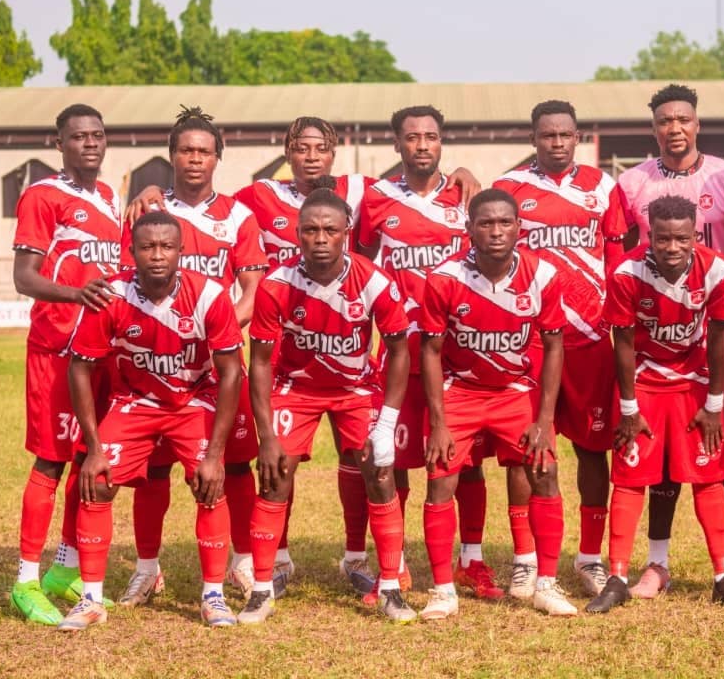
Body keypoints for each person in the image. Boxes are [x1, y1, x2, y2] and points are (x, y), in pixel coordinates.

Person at [126, 116, 478, 596]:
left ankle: (358, 556)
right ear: (287, 151)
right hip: (284, 348)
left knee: (364, 459)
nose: (311, 157)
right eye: (301, 147)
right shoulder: (258, 197)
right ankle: (277, 559)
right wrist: (151, 189)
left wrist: (461, 175)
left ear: (334, 153)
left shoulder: (359, 191)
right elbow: (204, 191)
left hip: (347, 346)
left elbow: (416, 178)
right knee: (275, 461)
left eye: (321, 148)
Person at [58, 211, 245, 630]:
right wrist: (94, 448)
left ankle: (213, 596)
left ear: (181, 251)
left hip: (194, 400)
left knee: (208, 482)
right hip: (136, 401)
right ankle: (91, 599)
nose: (157, 255)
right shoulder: (110, 295)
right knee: (98, 480)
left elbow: (231, 372)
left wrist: (215, 455)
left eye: (166, 247)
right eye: (147, 247)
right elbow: (79, 368)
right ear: (132, 251)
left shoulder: (209, 294)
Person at [240, 186, 416, 623]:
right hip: (296, 388)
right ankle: (261, 588)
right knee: (274, 475)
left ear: (347, 232)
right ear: (297, 233)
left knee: (379, 472)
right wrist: (266, 436)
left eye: (330, 230)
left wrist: (386, 423)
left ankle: (390, 587)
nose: (320, 238)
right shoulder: (277, 285)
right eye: (310, 230)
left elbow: (399, 351)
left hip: (356, 388)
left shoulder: (374, 281)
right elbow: (259, 362)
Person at [117, 107, 267, 608]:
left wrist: (213, 335)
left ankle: (241, 562)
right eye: (186, 150)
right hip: (156, 365)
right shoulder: (150, 212)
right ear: (172, 156)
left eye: (204, 151)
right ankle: (146, 569)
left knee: (236, 466)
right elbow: (128, 284)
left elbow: (253, 292)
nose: (195, 159)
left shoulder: (238, 217)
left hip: (217, 363)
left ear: (218, 158)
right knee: (154, 471)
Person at [615, 83, 724, 596]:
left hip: (719, 333)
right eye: (665, 121)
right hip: (657, 342)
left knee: (722, 445)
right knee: (659, 452)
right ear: (653, 128)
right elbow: (621, 254)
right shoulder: (632, 184)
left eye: (683, 119)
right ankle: (657, 564)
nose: (674, 128)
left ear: (697, 124)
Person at [356, 105, 500, 601]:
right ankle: (393, 566)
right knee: (390, 460)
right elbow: (362, 267)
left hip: (457, 356)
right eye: (413, 137)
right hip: (399, 352)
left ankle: (471, 560)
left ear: (442, 142)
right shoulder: (376, 199)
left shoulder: (465, 195)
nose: (422, 145)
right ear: (397, 143)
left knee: (466, 463)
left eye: (431, 137)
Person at [587, 195, 724, 613]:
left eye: (682, 238)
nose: (672, 247)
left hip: (693, 382)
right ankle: (617, 578)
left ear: (695, 235)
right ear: (651, 235)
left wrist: (714, 405)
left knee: (709, 474)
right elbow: (623, 342)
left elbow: (719, 338)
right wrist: (629, 409)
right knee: (629, 477)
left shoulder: (717, 270)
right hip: (643, 382)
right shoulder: (626, 272)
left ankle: (723, 577)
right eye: (663, 239)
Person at [419, 188, 577, 618]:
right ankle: (443, 590)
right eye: (485, 223)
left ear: (519, 227)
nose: (496, 231)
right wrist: (438, 423)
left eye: (505, 222)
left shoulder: (543, 275)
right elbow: (430, 350)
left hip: (514, 390)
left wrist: (544, 419)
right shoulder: (444, 278)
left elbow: (554, 346)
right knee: (440, 480)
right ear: (469, 229)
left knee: (544, 471)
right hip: (460, 391)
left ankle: (546, 583)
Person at [492, 100, 626, 599]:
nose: (556, 143)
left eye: (565, 135)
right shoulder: (509, 188)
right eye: (547, 135)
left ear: (578, 138)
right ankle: (525, 559)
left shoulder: (602, 187)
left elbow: (616, 258)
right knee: (526, 451)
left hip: (589, 339)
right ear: (533, 138)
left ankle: (589, 557)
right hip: (529, 341)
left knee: (593, 449)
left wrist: (614, 317)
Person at [9, 103, 122, 625]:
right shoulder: (42, 195)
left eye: (97, 135)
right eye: (79, 137)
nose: (90, 143)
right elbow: (24, 277)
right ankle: (25, 581)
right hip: (56, 349)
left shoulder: (110, 197)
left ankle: (65, 567)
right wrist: (76, 294)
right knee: (50, 462)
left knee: (88, 458)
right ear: (59, 144)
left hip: (99, 352)